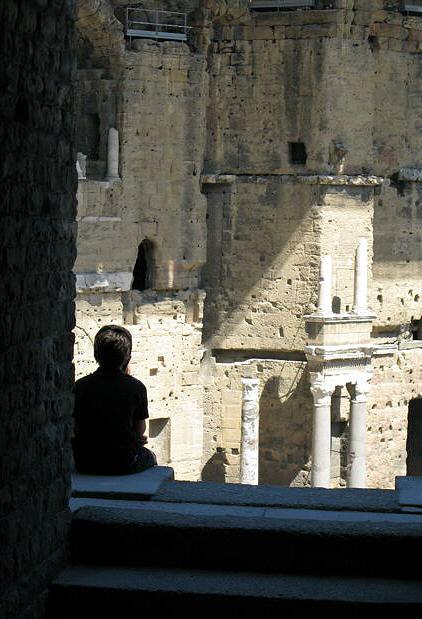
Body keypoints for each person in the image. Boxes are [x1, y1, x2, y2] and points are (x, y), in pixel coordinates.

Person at [72, 325, 157, 475]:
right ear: (126, 357)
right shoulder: (136, 388)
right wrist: (133, 439)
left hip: (85, 461)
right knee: (151, 457)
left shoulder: (80, 386)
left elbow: (76, 427)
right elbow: (140, 429)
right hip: (124, 462)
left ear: (96, 355)